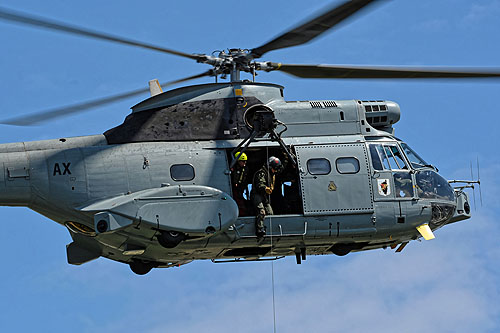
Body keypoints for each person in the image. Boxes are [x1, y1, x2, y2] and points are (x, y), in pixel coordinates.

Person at [251, 156, 282, 238]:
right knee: (261, 212)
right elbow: (259, 185)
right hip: (257, 194)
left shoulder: (271, 174)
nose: (275, 170)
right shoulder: (261, 173)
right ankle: (259, 229)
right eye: (275, 168)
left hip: (264, 196)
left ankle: (270, 229)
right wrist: (265, 188)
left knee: (270, 213)